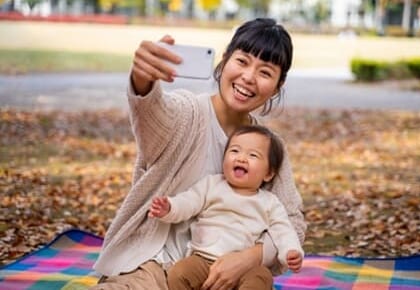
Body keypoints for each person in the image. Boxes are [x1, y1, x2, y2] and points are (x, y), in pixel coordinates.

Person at [91, 17, 306, 290]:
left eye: (265, 72)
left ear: (277, 86)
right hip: (155, 264)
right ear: (225, 60)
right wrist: (142, 80)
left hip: (224, 277)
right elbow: (151, 115)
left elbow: (292, 223)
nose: (249, 77)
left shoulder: (268, 147)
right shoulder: (187, 112)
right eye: (242, 61)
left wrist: (250, 257)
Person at [150, 125, 303, 290]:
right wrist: (170, 208)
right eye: (235, 151)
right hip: (202, 260)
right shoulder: (211, 185)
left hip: (245, 268)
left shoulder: (270, 202)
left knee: (262, 277)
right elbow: (188, 202)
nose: (241, 158)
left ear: (268, 174)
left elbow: (283, 231)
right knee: (179, 273)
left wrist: (291, 251)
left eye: (253, 155)